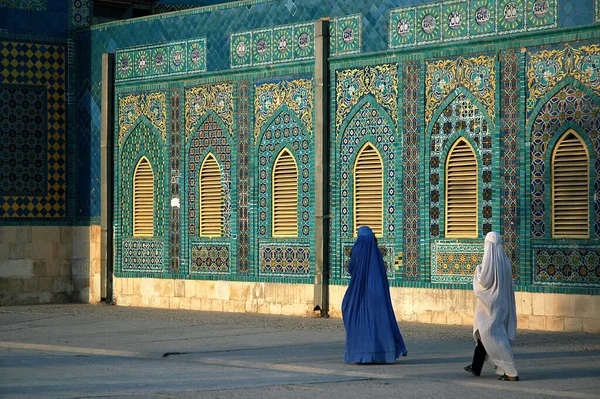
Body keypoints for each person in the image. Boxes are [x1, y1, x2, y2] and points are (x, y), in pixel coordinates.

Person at [342, 225, 407, 363]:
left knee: (355, 317)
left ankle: (360, 354)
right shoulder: (376, 252)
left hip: (358, 292)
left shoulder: (357, 249)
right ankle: (381, 354)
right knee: (377, 322)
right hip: (377, 292)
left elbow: (351, 268)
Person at [464, 231, 519, 381]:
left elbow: (483, 283)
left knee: (495, 337)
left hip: (490, 308)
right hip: (502, 305)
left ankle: (511, 370)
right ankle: (478, 366)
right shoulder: (505, 261)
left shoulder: (489, 263)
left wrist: (477, 271)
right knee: (485, 334)